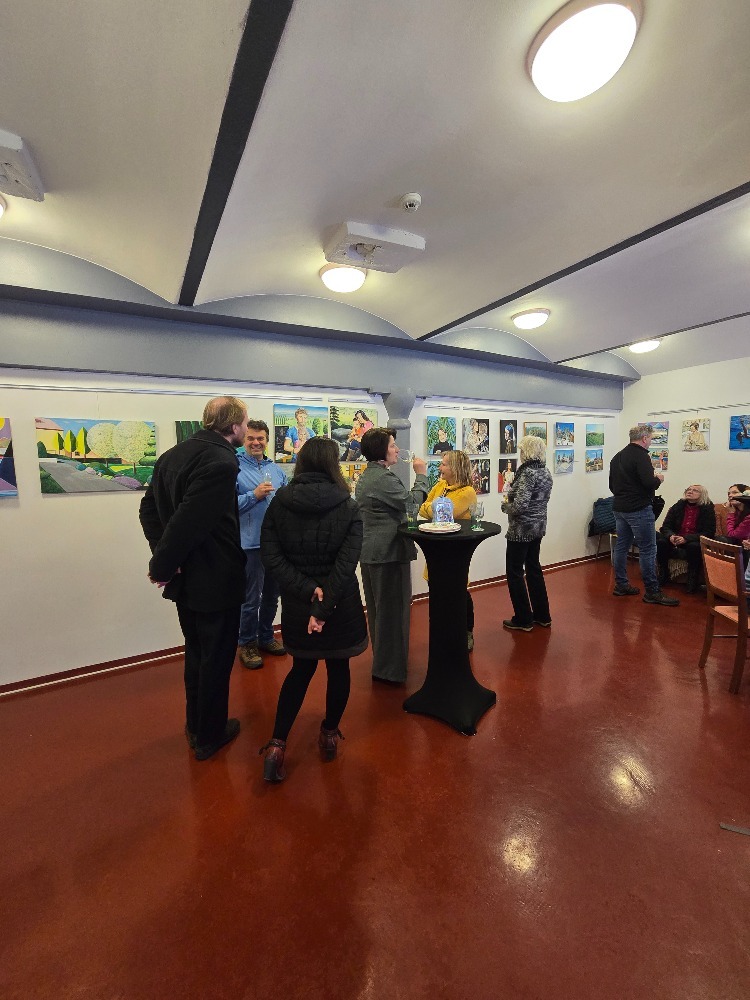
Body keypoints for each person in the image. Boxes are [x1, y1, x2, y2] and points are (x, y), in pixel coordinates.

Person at [138, 397, 248, 760]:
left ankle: (197, 725)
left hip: (187, 581)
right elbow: (189, 522)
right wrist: (163, 565)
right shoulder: (221, 461)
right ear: (234, 425)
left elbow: (148, 510)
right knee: (215, 658)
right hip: (215, 579)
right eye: (245, 423)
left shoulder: (173, 455)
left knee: (198, 653)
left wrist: (167, 560)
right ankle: (209, 736)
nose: (246, 429)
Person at [258, 438, 368, 783]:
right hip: (339, 605)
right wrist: (323, 606)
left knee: (300, 670)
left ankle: (277, 746)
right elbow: (346, 564)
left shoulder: (280, 502)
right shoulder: (348, 506)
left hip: (298, 604)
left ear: (302, 462)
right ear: (333, 464)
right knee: (339, 668)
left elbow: (271, 555)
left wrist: (308, 592)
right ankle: (329, 734)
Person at [356, 427, 428, 683]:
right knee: (393, 614)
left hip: (375, 553)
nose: (397, 449)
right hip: (387, 554)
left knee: (381, 613)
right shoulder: (382, 479)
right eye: (392, 445)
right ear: (381, 451)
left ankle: (385, 665)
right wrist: (421, 476)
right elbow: (412, 505)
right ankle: (390, 671)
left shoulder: (372, 475)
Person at [236, 419, 288, 670]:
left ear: (267, 440)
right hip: (250, 545)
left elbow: (286, 503)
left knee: (271, 596)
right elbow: (225, 507)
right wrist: (253, 496)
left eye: (260, 439)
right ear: (244, 440)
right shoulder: (234, 468)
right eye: (251, 438)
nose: (256, 443)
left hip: (275, 545)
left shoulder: (276, 470)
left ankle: (266, 637)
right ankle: (247, 643)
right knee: (250, 600)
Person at [609, 423, 679, 606]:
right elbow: (649, 483)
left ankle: (621, 585)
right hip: (638, 508)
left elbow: (612, 486)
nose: (650, 442)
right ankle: (652, 591)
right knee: (648, 549)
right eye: (650, 439)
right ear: (644, 438)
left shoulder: (617, 457)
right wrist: (659, 479)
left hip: (619, 507)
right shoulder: (641, 456)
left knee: (621, 546)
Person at [419, 450, 478, 649]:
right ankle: (442, 632)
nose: (440, 467)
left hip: (455, 552)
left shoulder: (467, 492)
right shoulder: (440, 486)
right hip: (436, 549)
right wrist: (434, 509)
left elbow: (445, 513)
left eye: (444, 464)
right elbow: (423, 508)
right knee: (437, 592)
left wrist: (434, 508)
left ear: (455, 468)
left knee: (459, 593)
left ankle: (466, 632)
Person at [500, 434, 553, 631]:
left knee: (514, 572)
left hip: (521, 529)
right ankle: (542, 615)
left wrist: (505, 506)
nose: (520, 454)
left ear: (527, 451)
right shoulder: (545, 472)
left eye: (522, 450)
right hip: (538, 527)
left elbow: (520, 506)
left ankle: (523, 618)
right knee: (533, 568)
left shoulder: (527, 473)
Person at [656, 485, 716, 592]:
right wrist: (671, 535)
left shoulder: (707, 509)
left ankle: (692, 578)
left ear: (702, 495)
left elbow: (709, 532)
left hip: (693, 540)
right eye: (688, 489)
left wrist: (686, 538)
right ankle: (663, 573)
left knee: (694, 546)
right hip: (675, 538)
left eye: (695, 490)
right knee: (661, 542)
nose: (690, 491)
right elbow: (666, 526)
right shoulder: (678, 506)